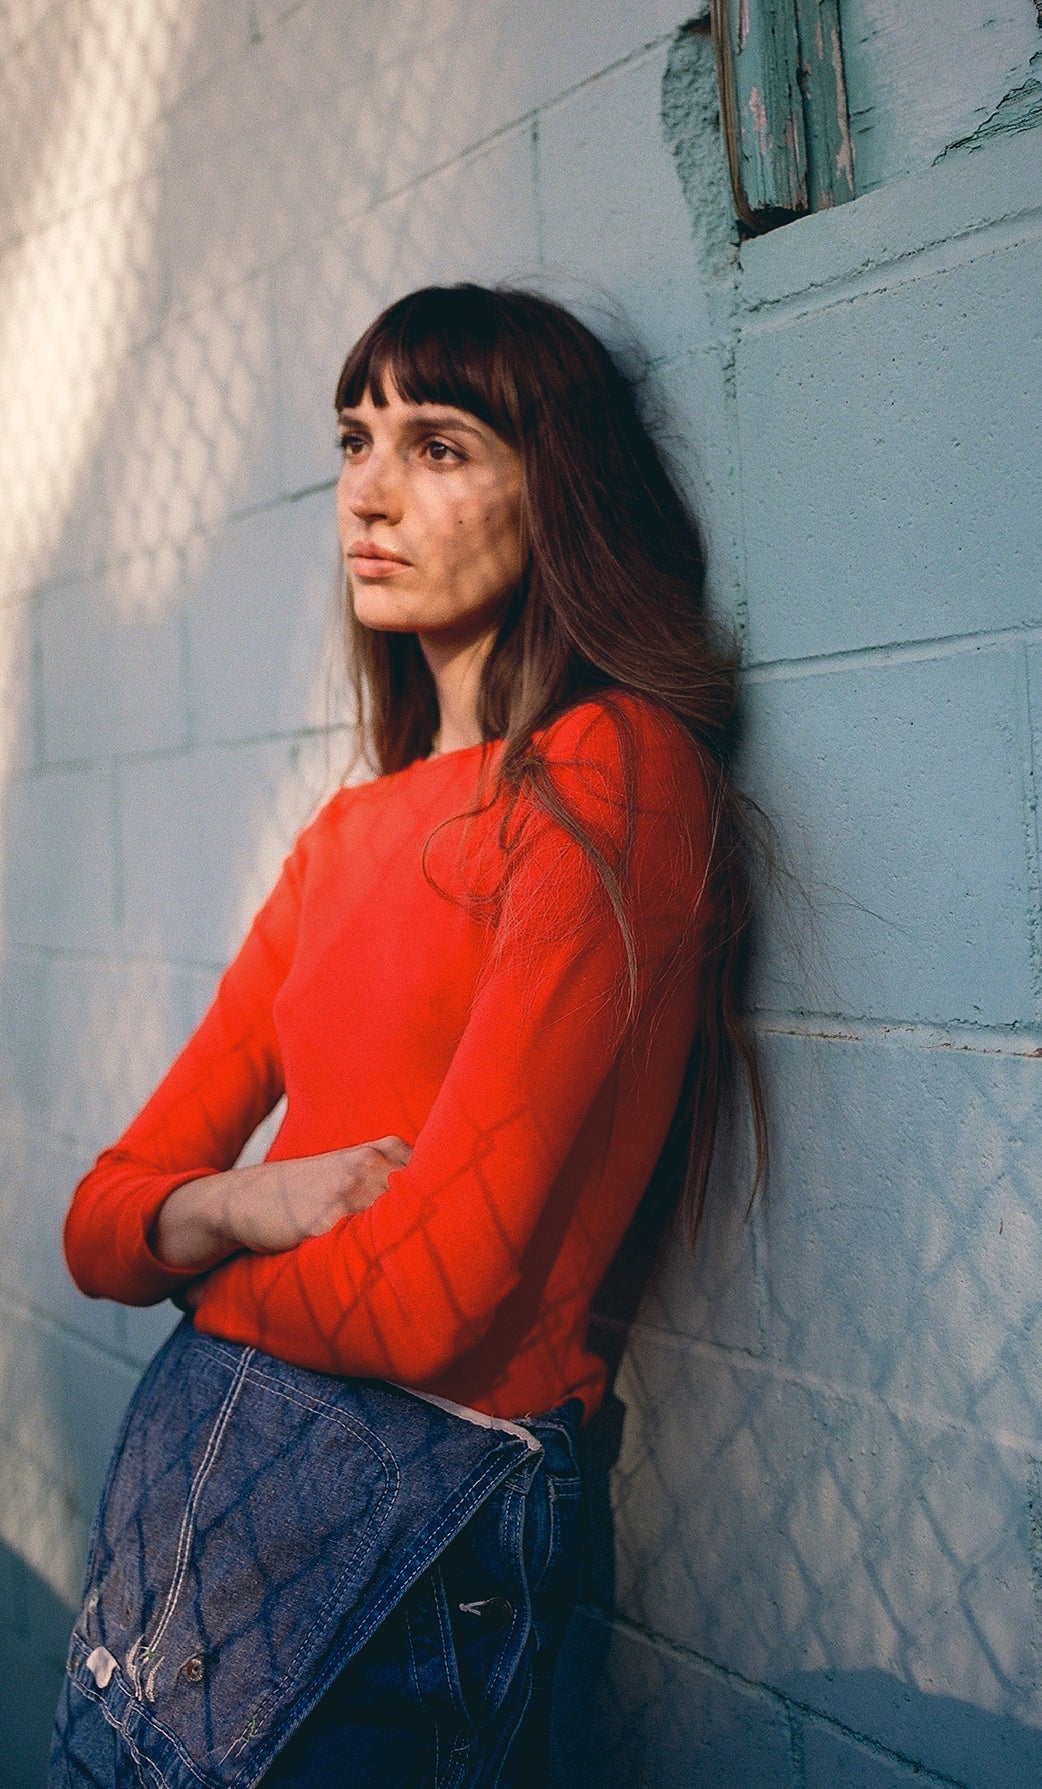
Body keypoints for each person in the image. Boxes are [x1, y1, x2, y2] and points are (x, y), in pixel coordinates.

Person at [52, 284, 766, 1788]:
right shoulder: (345, 833)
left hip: (436, 1496)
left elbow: (437, 1296)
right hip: (245, 1477)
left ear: (555, 488)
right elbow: (99, 1222)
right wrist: (241, 1199)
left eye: (439, 446)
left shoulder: (612, 775)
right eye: (353, 439)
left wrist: (202, 1270)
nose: (369, 492)